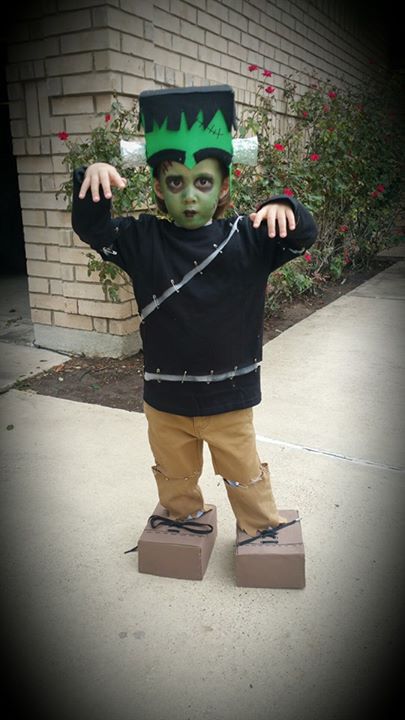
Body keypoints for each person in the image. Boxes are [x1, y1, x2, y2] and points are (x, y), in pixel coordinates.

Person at [72, 85, 317, 539]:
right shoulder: (140, 240)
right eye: (175, 182)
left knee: (245, 474)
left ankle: (262, 529)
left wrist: (288, 208)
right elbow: (93, 228)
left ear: (223, 185)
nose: (189, 195)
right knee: (175, 477)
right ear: (158, 190)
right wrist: (94, 179)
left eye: (203, 181)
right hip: (165, 403)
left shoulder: (249, 237)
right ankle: (182, 522)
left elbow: (301, 236)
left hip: (231, 399)